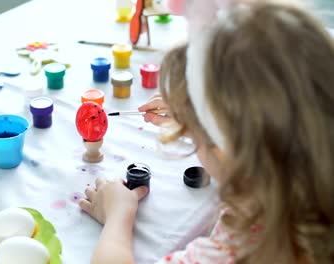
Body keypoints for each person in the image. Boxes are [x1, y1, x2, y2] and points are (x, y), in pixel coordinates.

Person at [79, 1, 334, 263]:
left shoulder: (238, 251)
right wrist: (200, 121)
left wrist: (118, 216)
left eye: (200, 134)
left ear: (223, 152)